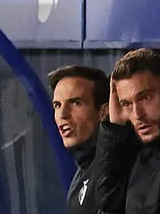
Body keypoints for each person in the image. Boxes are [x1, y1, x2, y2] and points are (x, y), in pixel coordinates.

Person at [96, 48, 160, 213]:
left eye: (145, 98)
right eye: (126, 104)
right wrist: (115, 130)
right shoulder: (135, 152)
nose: (138, 115)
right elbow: (107, 207)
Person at [47, 65, 109, 213]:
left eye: (76, 103)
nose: (62, 114)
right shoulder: (82, 172)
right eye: (57, 105)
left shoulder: (115, 170)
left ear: (103, 112)